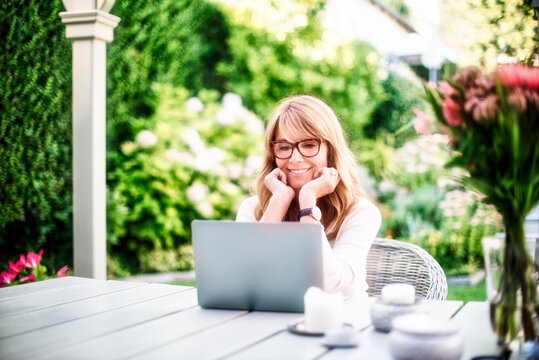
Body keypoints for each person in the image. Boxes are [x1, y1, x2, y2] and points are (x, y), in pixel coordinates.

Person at [236, 95, 381, 298]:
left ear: (330, 150)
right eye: (284, 147)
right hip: (273, 323)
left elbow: (326, 283)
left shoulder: (361, 213)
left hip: (343, 323)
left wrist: (308, 201)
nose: (295, 159)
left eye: (309, 145)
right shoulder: (252, 209)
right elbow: (243, 277)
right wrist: (278, 202)